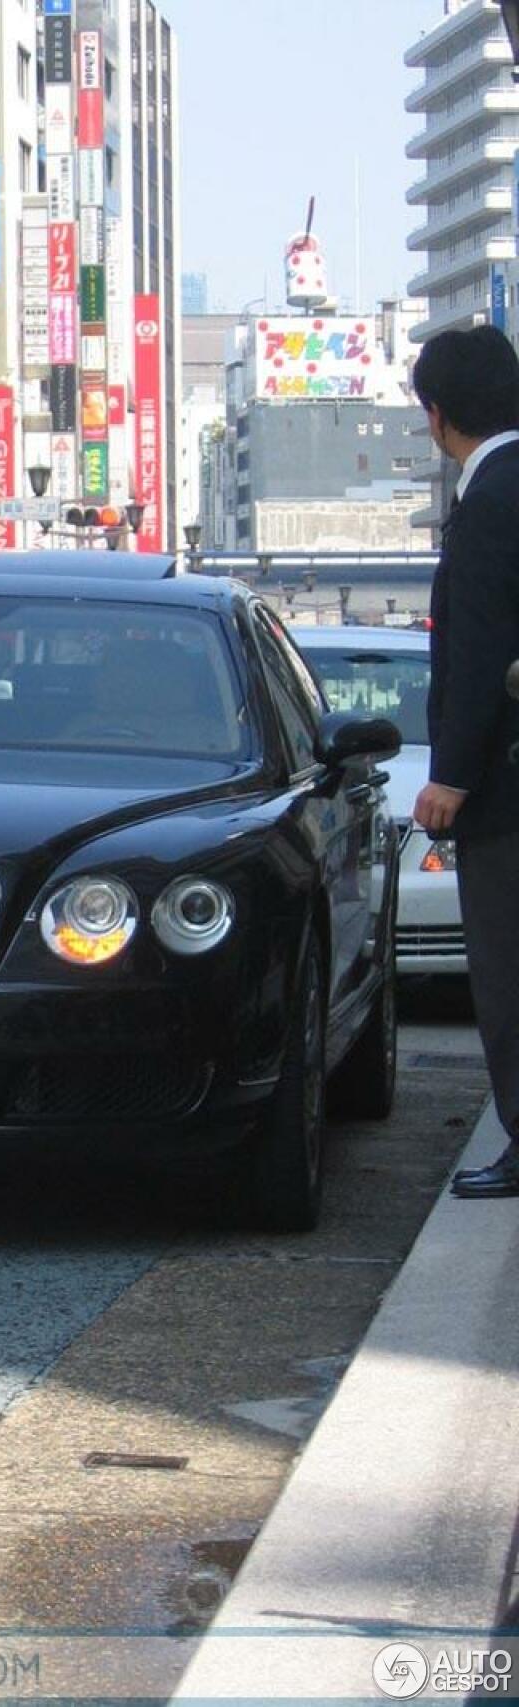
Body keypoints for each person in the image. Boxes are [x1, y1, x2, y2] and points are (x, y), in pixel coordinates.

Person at [411, 324, 519, 1198]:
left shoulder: (491, 505)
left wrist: (449, 774)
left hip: (507, 793)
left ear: (438, 416)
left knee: (508, 967)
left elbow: (480, 651)